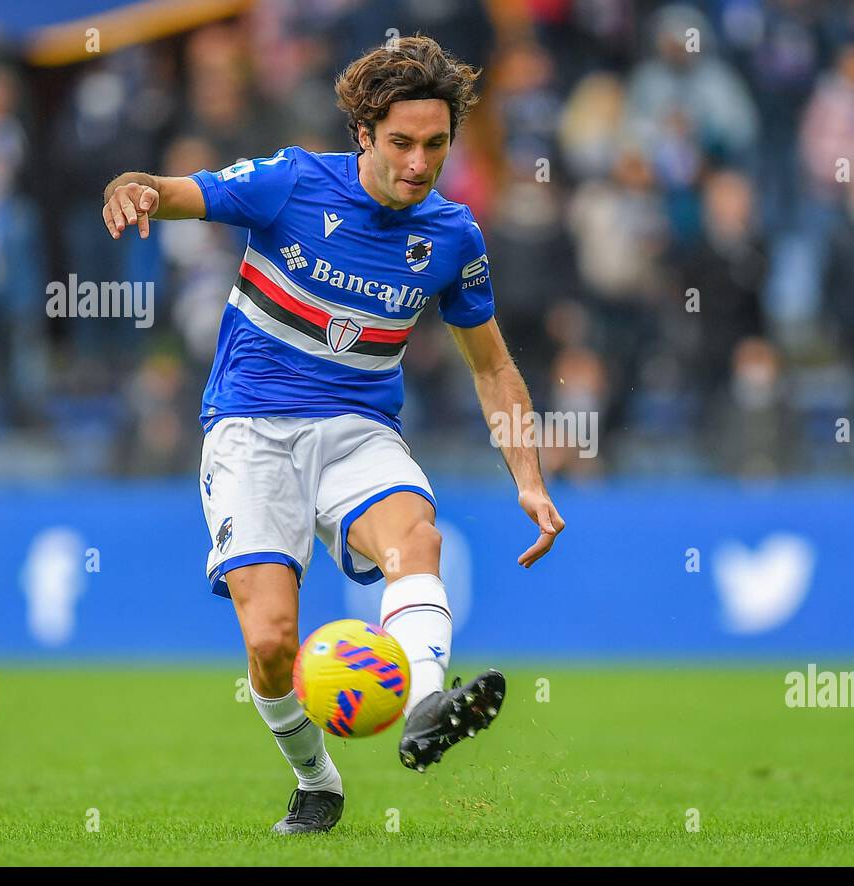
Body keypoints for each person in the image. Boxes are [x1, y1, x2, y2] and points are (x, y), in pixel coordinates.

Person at [100, 35, 565, 834]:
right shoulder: (289, 182)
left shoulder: (453, 236)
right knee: (274, 642)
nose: (420, 163)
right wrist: (129, 188)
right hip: (250, 430)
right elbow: (170, 191)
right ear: (363, 135)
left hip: (357, 430)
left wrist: (527, 475)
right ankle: (318, 781)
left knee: (416, 537)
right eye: (402, 144)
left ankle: (425, 706)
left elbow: (491, 367)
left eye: (436, 145)